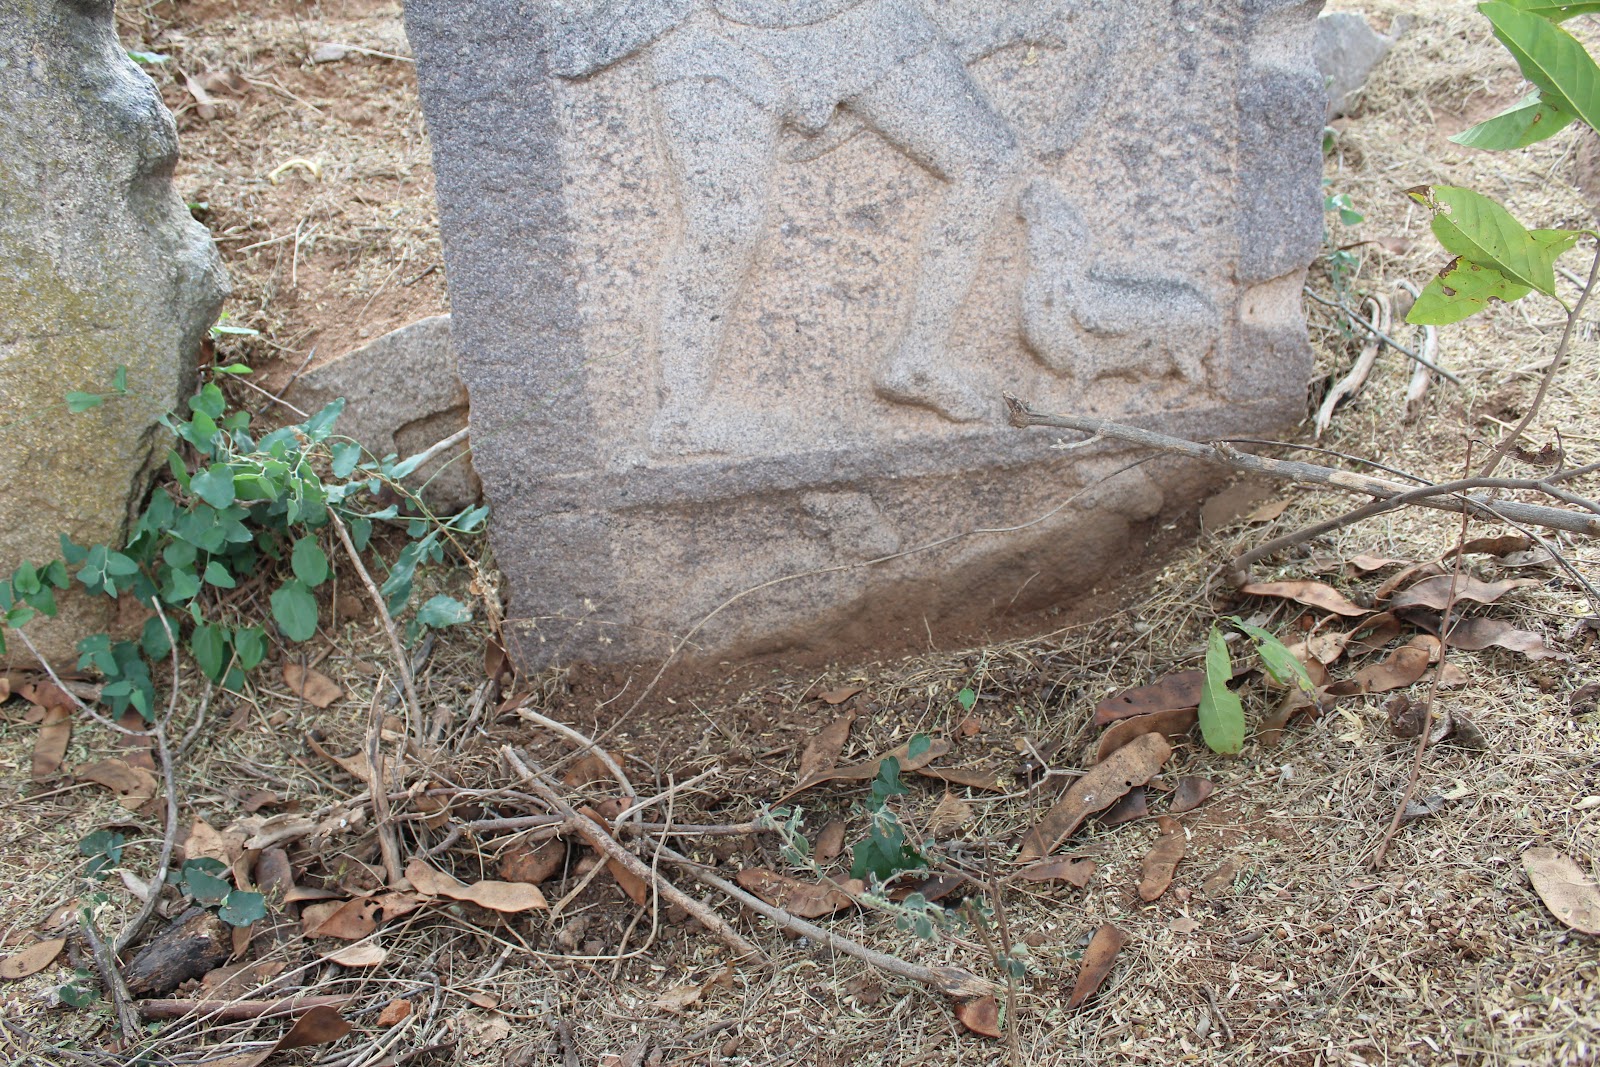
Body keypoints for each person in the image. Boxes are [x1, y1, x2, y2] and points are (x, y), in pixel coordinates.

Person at [550, 0, 1025, 450]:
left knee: (987, 162)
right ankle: (682, 417)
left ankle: (920, 356)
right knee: (723, 226)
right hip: (715, 32)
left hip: (857, 22)